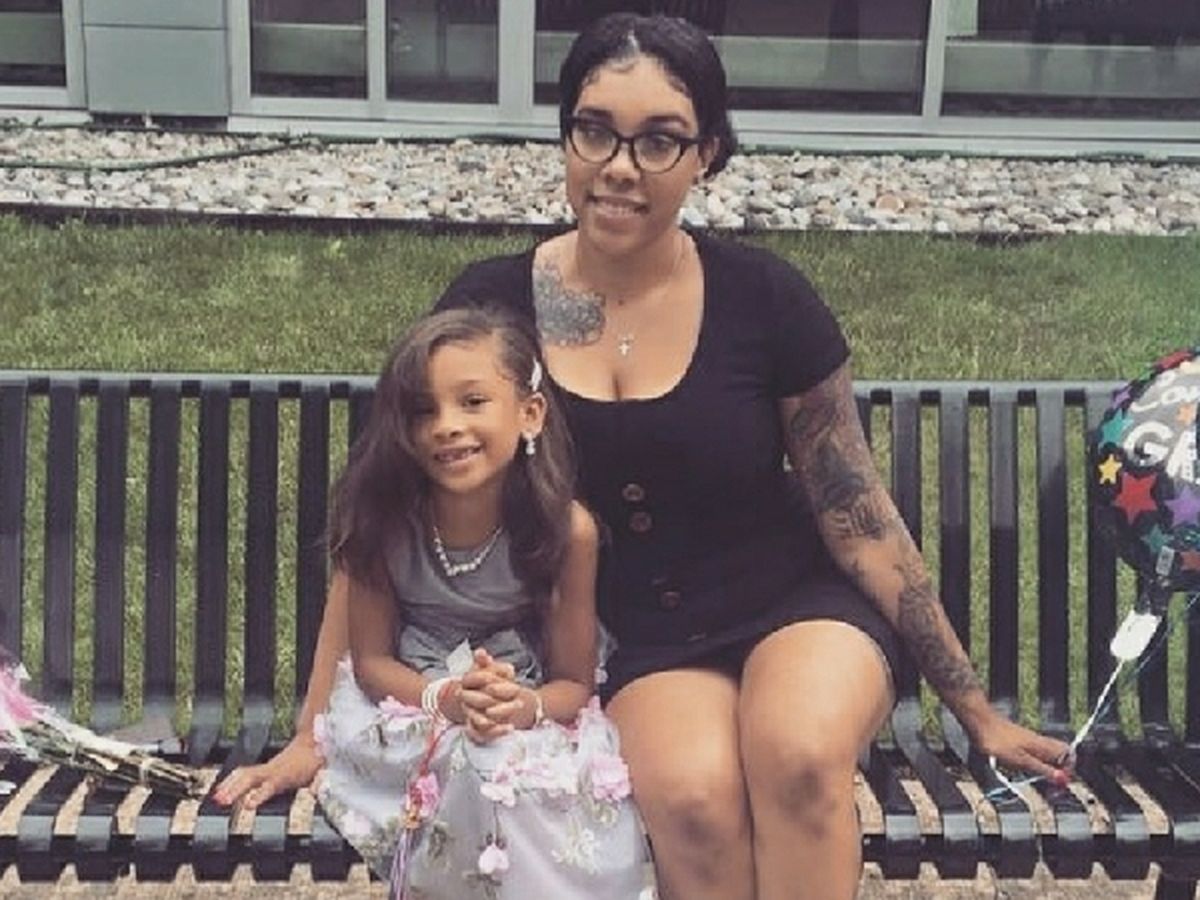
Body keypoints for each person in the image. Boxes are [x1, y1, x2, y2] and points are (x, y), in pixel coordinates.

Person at [217, 13, 1070, 899]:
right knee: (693, 801)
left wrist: (975, 710)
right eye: (595, 131)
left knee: (798, 754)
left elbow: (857, 514)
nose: (620, 167)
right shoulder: (491, 309)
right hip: (642, 637)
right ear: (566, 138)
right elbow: (382, 511)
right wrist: (312, 732)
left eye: (660, 140)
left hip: (795, 603)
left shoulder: (765, 299)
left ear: (707, 154)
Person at [304, 307, 651, 897]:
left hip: (522, 699)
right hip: (411, 703)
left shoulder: (566, 530)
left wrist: (517, 707)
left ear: (529, 413)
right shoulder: (382, 520)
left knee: (514, 770)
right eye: (423, 411)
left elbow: (572, 683)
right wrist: (447, 700)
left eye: (472, 402)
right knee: (474, 763)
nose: (446, 426)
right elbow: (371, 664)